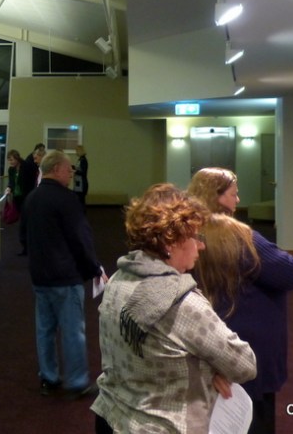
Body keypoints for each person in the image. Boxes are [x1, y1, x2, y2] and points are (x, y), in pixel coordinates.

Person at [91, 183, 257, 433]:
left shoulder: (117, 280)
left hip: (113, 416)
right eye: (197, 237)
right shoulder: (181, 303)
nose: (201, 245)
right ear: (172, 241)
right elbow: (245, 365)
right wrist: (210, 371)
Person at [189, 168, 293, 434]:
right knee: (254, 418)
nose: (238, 200)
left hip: (208, 343)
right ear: (216, 197)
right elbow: (288, 273)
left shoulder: (188, 233)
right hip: (247, 345)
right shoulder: (236, 236)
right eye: (233, 194)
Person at [20, 150, 107, 398]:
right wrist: (94, 268)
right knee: (72, 331)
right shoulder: (67, 199)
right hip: (65, 277)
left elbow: (23, 237)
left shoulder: (31, 198)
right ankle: (77, 382)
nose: (71, 173)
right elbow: (80, 238)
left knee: (44, 330)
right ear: (57, 169)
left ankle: (49, 378)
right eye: (68, 169)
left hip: (40, 276)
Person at [17, 143, 46, 255]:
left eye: (36, 158)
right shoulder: (39, 169)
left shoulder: (45, 171)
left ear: (42, 157)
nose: (34, 161)